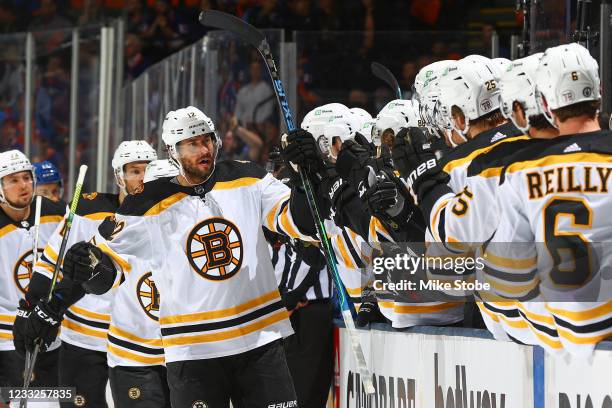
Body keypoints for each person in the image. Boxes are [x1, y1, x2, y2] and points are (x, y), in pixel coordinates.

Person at [33, 106, 323, 407]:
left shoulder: (248, 178)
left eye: (208, 139)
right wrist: (84, 267)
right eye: (192, 143)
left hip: (260, 340)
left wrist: (304, 182)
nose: (204, 148)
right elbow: (105, 275)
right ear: (172, 151)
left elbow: (303, 224)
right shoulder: (146, 202)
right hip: (194, 352)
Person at [483, 43, 612, 355]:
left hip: (564, 340)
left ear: (543, 102)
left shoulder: (519, 172)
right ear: (599, 92)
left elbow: (506, 275)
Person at [16, 141, 157, 408]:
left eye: (147, 170)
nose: (142, 178)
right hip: (84, 338)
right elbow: (50, 262)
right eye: (134, 170)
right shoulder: (87, 210)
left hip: (141, 342)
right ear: (119, 175)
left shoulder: (165, 212)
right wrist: (30, 307)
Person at [107, 159, 177, 408]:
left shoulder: (196, 229)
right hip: (134, 357)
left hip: (186, 356)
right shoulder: (124, 231)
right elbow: (96, 278)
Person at [0, 150, 66, 405]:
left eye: (27, 178)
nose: (23, 185)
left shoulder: (54, 213)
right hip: (6, 337)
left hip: (48, 331)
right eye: (13, 180)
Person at [234, 61, 275, 129]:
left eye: (257, 69)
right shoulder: (243, 91)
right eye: (253, 68)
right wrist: (242, 122)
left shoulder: (266, 89)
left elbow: (268, 111)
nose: (255, 71)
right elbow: (238, 112)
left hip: (260, 128)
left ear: (261, 71)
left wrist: (255, 123)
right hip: (244, 128)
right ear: (249, 70)